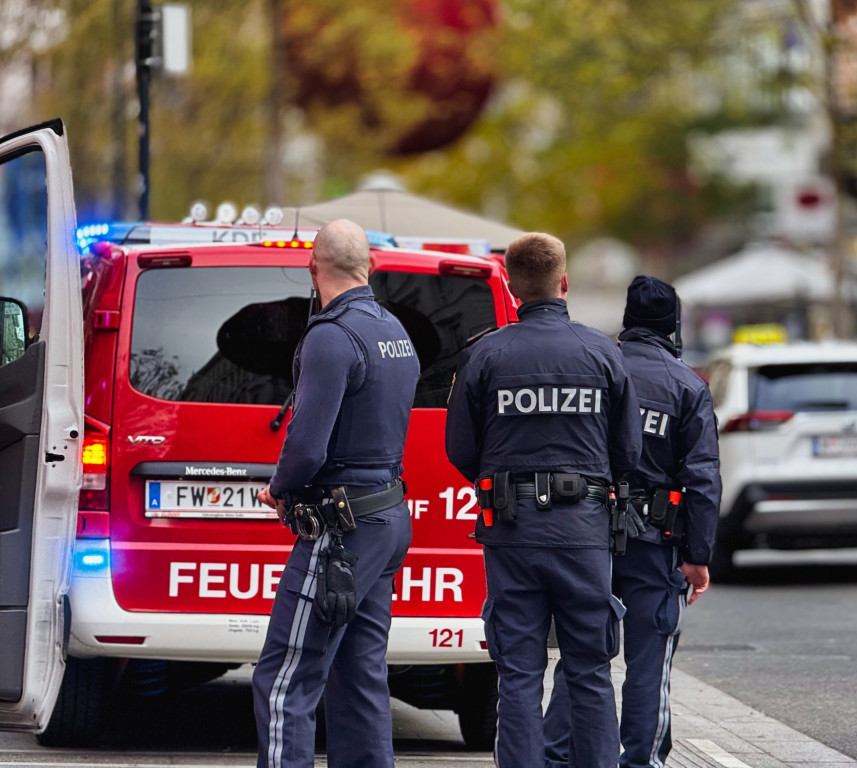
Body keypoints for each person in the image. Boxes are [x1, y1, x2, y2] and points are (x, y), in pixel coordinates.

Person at [444, 233, 641, 768]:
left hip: (511, 530)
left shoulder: (486, 355)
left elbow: (460, 450)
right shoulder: (603, 352)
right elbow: (629, 450)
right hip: (584, 533)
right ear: (565, 282)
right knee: (590, 671)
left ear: (510, 286)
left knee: (519, 676)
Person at [251, 219, 419, 768]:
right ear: (369, 266)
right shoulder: (394, 330)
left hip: (340, 533)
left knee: (283, 680)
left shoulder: (330, 335)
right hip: (386, 520)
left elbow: (307, 447)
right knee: (358, 674)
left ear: (312, 267)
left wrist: (280, 489)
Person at [544, 276, 722, 768]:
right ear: (673, 326)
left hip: (588, 531)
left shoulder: (596, 367)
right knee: (648, 661)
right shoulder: (687, 385)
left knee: (583, 652)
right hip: (655, 540)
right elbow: (703, 479)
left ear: (628, 320)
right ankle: (639, 761)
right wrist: (697, 557)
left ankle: (554, 755)